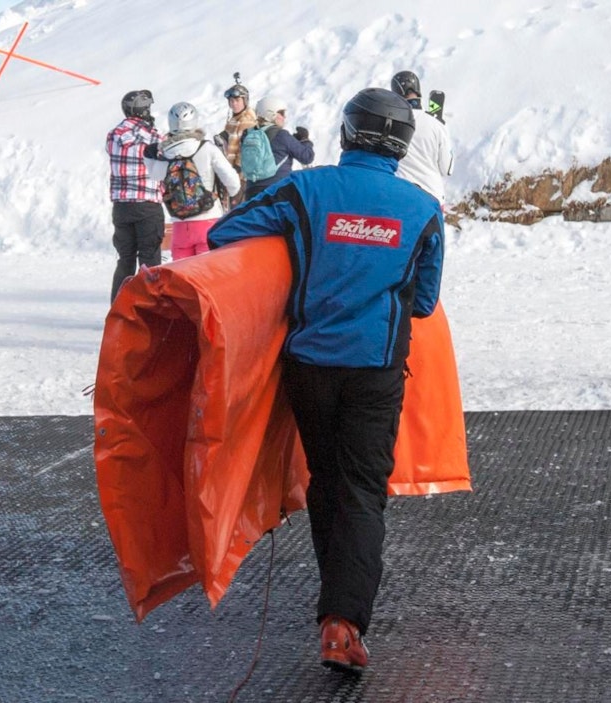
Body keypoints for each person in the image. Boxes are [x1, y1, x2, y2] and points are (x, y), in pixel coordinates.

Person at [207, 87, 445, 675]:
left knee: (326, 479)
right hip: (375, 370)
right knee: (362, 490)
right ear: (402, 142)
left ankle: (334, 600)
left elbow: (224, 233)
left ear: (347, 132)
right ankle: (343, 622)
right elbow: (426, 302)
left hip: (309, 367)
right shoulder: (422, 209)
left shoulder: (307, 189)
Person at [143, 102, 240, 259]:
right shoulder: (207, 149)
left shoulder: (166, 155)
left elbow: (154, 174)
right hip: (209, 222)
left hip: (180, 227)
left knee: (184, 279)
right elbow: (232, 182)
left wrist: (148, 156)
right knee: (208, 276)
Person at [106, 89, 165, 301]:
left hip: (121, 206)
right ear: (144, 110)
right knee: (150, 260)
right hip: (147, 205)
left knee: (125, 260)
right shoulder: (153, 137)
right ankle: (151, 308)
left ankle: (118, 307)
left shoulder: (113, 135)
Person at [390, 70, 453, 204]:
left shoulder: (390, 123)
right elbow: (447, 169)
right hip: (432, 198)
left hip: (401, 197)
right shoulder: (437, 123)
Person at [242, 95, 315, 200]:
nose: (284, 117)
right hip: (277, 191)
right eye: (281, 113)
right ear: (271, 114)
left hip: (251, 192)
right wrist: (304, 140)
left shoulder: (248, 135)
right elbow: (307, 157)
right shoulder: (282, 135)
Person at [214, 74, 257, 209]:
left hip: (242, 175)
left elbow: (248, 147)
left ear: (245, 100)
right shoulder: (235, 119)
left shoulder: (247, 119)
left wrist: (237, 167)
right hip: (233, 172)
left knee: (239, 209)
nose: (233, 103)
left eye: (237, 100)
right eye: (231, 101)